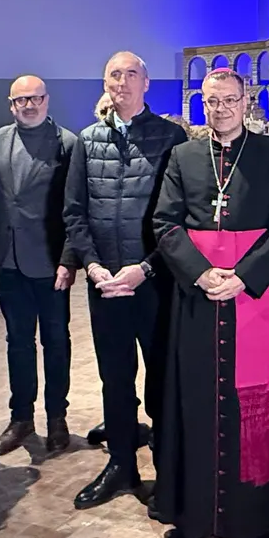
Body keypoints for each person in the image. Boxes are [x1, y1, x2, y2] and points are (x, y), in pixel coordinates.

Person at [151, 69, 269, 538]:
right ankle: (192, 518)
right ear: (203, 105)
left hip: (252, 298)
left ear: (246, 102)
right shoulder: (182, 157)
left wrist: (244, 275)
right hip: (197, 301)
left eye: (229, 100)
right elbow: (165, 223)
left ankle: (251, 523)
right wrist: (200, 274)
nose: (220, 109)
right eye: (211, 101)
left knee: (253, 407)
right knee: (194, 401)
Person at [63, 51, 187, 510]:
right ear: (105, 82)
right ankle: (121, 464)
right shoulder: (87, 140)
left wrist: (146, 268)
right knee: (115, 379)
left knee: (161, 378)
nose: (122, 81)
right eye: (114, 74)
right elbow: (74, 212)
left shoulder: (171, 138)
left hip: (154, 283)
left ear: (147, 82)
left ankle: (170, 469)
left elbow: (179, 217)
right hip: (105, 285)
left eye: (131, 73)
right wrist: (93, 267)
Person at [0, 76, 81, 457]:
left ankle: (58, 416)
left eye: (35, 98)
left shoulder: (69, 144)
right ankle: (20, 417)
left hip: (51, 262)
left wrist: (69, 259)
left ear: (46, 100)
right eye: (21, 99)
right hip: (8, 262)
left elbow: (75, 209)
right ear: (11, 104)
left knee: (57, 342)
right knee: (18, 343)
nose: (29, 105)